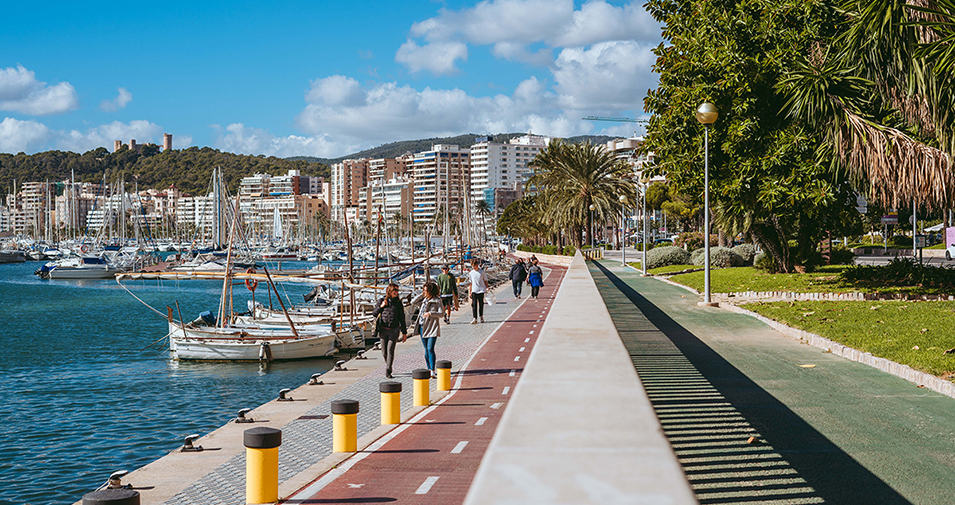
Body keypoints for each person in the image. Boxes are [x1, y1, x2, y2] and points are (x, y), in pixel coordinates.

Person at [372, 283, 407, 378]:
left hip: (394, 330)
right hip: (383, 330)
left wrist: (404, 332)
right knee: (384, 352)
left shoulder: (398, 303)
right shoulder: (382, 300)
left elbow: (402, 318)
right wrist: (381, 306)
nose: (396, 292)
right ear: (389, 291)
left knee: (390, 349)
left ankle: (388, 369)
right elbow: (374, 313)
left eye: (397, 290)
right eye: (394, 290)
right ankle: (388, 365)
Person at [417, 281, 444, 377]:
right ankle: (428, 368)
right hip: (422, 327)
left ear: (431, 291)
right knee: (426, 350)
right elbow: (412, 302)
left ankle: (432, 369)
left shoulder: (437, 300)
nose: (424, 292)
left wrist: (430, 314)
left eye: (426, 291)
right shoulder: (424, 300)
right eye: (423, 290)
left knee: (430, 348)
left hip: (432, 327)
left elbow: (441, 314)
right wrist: (421, 295)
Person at [468, 259, 489, 324]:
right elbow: (470, 283)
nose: (473, 267)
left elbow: (485, 280)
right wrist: (470, 292)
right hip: (474, 290)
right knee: (474, 305)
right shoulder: (471, 273)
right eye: (472, 266)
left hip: (481, 290)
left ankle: (481, 316)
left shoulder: (482, 272)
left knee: (481, 304)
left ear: (477, 265)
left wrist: (487, 287)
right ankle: (475, 318)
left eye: (474, 266)